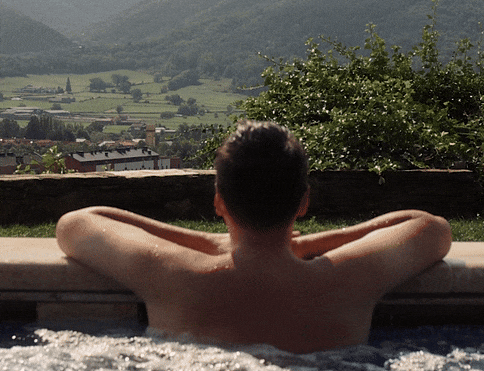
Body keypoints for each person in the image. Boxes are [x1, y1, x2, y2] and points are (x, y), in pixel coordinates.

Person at [56, 121, 452, 353]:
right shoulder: (349, 279)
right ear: (304, 202)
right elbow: (430, 226)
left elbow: (78, 222)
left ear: (218, 202)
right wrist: (310, 245)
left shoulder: (172, 276)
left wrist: (211, 245)